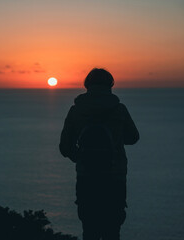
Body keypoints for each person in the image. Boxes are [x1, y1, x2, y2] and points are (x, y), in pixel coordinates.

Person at [59, 68, 139, 240]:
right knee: (112, 230)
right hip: (114, 176)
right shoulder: (119, 110)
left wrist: (80, 157)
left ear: (87, 85)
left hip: (87, 176)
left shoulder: (76, 111)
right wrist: (115, 138)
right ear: (110, 85)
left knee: (89, 229)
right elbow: (133, 137)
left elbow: (65, 147)